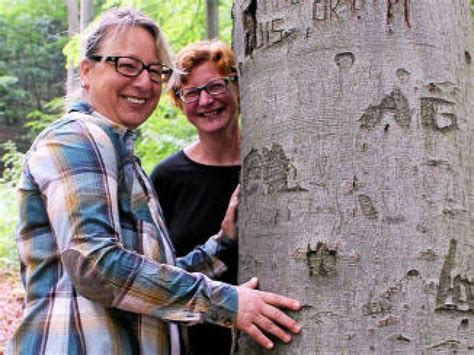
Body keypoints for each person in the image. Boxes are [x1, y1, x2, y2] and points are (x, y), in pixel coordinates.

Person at [7, 7, 301, 355]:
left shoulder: (123, 158)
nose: (145, 82)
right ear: (86, 71)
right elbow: (96, 266)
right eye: (127, 65)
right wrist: (228, 302)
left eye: (155, 70)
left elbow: (151, 280)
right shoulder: (78, 139)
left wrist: (220, 246)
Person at [150, 39, 240, 354]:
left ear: (237, 87)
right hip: (191, 344)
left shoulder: (270, 165)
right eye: (191, 93)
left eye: (216, 87)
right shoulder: (166, 178)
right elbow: (156, 274)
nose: (205, 101)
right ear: (179, 102)